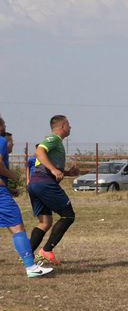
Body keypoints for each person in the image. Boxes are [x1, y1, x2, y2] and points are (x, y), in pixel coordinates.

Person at [0, 117, 53, 277]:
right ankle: (31, 267)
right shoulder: (1, 141)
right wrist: (13, 176)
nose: (4, 127)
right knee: (17, 227)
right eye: (3, 124)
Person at [26, 114, 79, 266]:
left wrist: (67, 173)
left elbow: (46, 164)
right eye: (68, 124)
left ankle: (27, 255)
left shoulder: (58, 143)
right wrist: (54, 170)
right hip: (44, 183)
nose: (70, 127)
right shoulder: (53, 139)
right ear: (62, 126)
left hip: (36, 184)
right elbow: (39, 151)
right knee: (68, 216)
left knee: (45, 222)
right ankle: (46, 251)